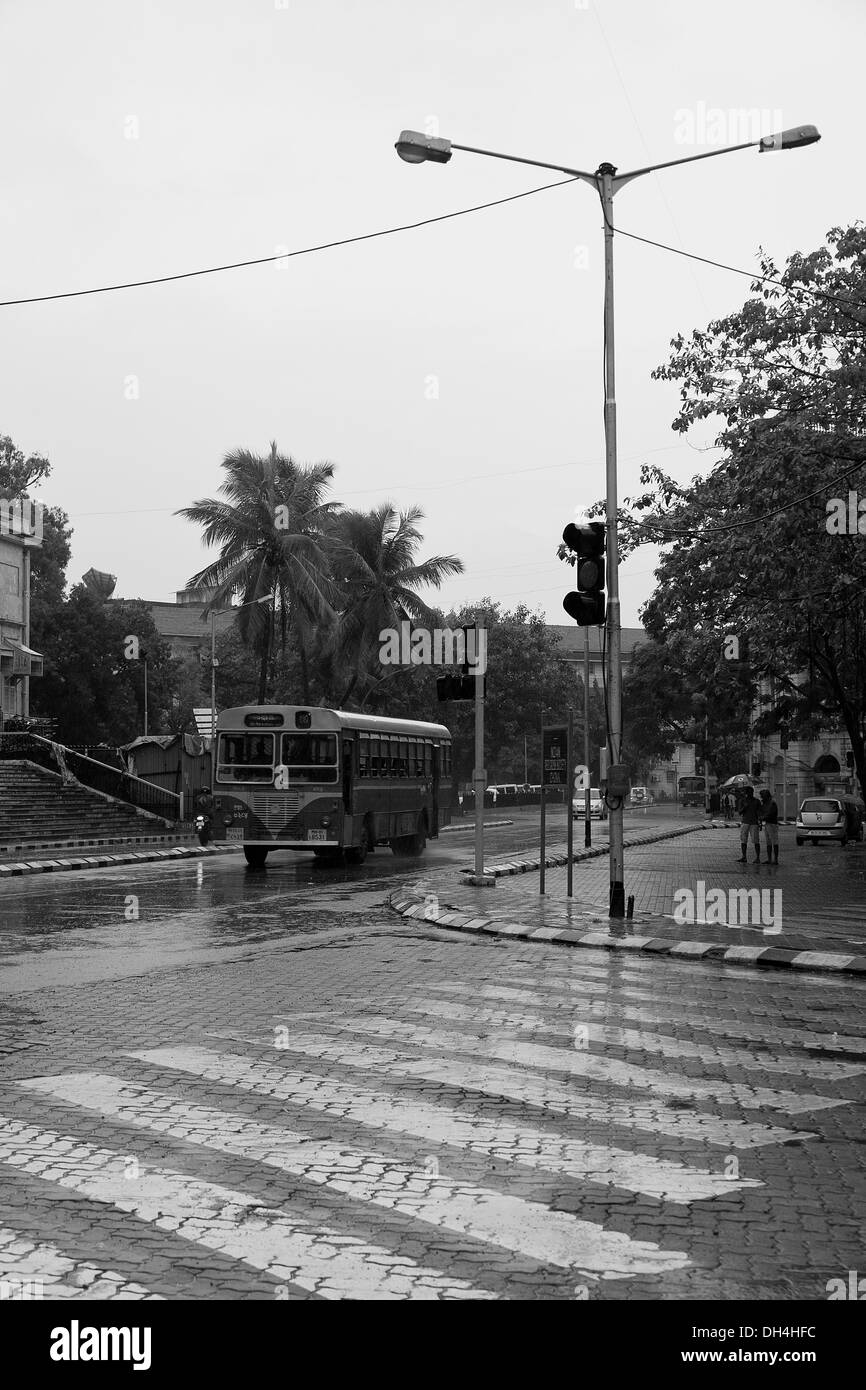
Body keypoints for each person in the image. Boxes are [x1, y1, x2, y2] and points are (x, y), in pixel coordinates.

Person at [738, 786, 761, 863]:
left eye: (750, 792)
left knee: (756, 840)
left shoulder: (757, 801)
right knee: (743, 840)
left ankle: (757, 857)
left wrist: (760, 822)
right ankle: (744, 856)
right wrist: (744, 807)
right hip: (745, 822)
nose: (749, 794)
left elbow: (759, 813)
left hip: (754, 823)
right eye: (748, 792)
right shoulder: (742, 801)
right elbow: (740, 812)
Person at [759, 789, 779, 863]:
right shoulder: (765, 803)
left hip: (772, 824)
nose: (762, 798)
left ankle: (775, 859)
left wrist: (762, 817)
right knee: (768, 842)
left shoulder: (772, 803)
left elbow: (770, 814)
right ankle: (769, 859)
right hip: (767, 824)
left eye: (762, 796)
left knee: (774, 842)